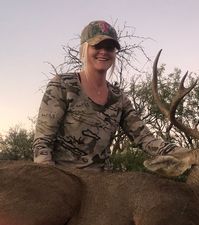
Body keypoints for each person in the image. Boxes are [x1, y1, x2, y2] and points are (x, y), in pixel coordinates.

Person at [33, 20, 186, 170]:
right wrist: (50, 183)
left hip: (104, 185)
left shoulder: (119, 98)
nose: (104, 52)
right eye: (97, 46)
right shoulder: (63, 85)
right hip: (64, 181)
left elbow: (145, 139)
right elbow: (42, 144)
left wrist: (191, 154)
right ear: (84, 49)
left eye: (110, 47)